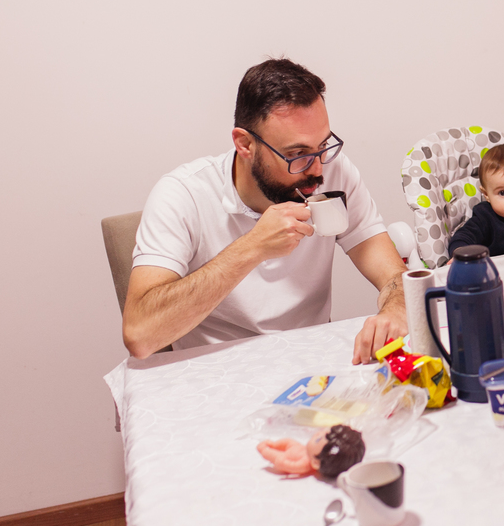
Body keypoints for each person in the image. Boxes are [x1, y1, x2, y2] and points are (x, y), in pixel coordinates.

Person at [122, 58, 407, 362]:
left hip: (311, 361)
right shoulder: (183, 195)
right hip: (215, 372)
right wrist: (253, 248)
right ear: (245, 144)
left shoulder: (333, 172)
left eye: (323, 146)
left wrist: (396, 308)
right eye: (296, 154)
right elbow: (140, 335)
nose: (318, 168)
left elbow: (395, 277)